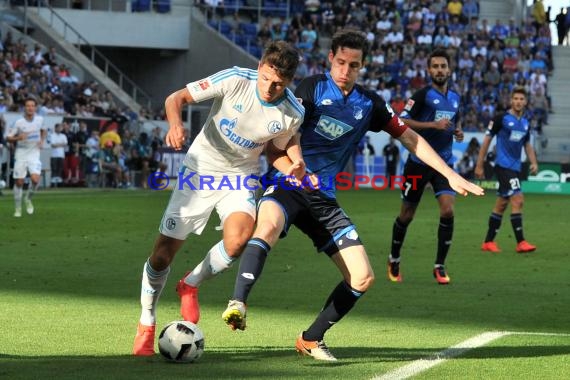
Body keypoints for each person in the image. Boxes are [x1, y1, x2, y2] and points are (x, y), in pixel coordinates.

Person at [221, 30, 484, 361]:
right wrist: (296, 169)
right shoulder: (311, 89)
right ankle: (238, 303)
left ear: (363, 66)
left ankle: (311, 338)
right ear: (331, 58)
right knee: (267, 227)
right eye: (341, 62)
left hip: (324, 199)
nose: (345, 71)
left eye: (354, 65)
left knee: (362, 277)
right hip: (289, 184)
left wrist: (450, 174)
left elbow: (411, 139)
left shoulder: (369, 103)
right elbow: (280, 142)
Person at [133, 40, 306, 356]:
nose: (270, 87)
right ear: (260, 68)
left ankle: (190, 284)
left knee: (238, 240)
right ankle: (147, 321)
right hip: (200, 169)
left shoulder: (292, 112)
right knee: (162, 255)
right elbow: (177, 98)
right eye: (266, 78)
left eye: (279, 84)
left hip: (240, 177)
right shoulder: (236, 78)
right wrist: (175, 124)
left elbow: (275, 151)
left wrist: (293, 167)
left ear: (290, 82)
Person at [387, 49, 464, 285]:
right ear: (429, 70)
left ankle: (439, 266)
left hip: (443, 164)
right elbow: (401, 120)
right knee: (407, 214)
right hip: (418, 163)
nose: (440, 70)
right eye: (436, 66)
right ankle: (394, 258)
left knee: (448, 210)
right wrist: (432, 124)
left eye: (443, 66)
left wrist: (456, 131)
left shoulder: (456, 98)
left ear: (449, 70)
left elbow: (451, 123)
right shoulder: (421, 96)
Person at [475, 87, 538, 253]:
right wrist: (479, 165)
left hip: (516, 167)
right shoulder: (501, 118)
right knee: (518, 199)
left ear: (525, 102)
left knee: (502, 204)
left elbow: (527, 144)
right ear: (511, 100)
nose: (518, 101)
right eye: (515, 98)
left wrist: (534, 162)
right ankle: (521, 242)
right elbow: (487, 141)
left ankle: (488, 242)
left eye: (521, 99)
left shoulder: (525, 122)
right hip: (503, 166)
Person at [5, 97, 46, 217]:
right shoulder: (18, 122)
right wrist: (18, 138)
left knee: (35, 179)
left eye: (32, 106)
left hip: (34, 154)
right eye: (28, 106)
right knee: (19, 182)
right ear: (24, 108)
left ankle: (28, 198)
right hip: (21, 154)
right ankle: (17, 209)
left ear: (35, 108)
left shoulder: (40, 120)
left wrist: (42, 141)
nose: (30, 108)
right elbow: (8, 138)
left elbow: (44, 131)